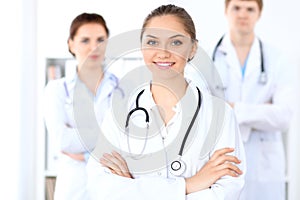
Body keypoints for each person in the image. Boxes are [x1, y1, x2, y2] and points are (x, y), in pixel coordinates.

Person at [86, 4, 246, 199]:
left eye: (176, 42)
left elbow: (227, 190)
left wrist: (133, 187)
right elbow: (100, 186)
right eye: (152, 42)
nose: (163, 53)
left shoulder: (220, 114)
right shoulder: (120, 110)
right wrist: (190, 184)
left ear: (193, 48)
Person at [211, 0, 296, 199]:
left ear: (259, 13)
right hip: (221, 160)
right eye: (237, 8)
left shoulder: (277, 59)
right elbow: (205, 113)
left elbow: (284, 116)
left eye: (250, 9)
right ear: (226, 10)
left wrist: (233, 109)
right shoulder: (208, 57)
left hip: (265, 166)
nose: (243, 14)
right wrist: (262, 111)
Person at [43, 13, 118, 200]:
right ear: (71, 44)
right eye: (85, 40)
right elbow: (61, 140)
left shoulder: (123, 90)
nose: (94, 47)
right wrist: (105, 136)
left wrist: (83, 153)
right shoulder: (57, 89)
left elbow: (125, 142)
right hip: (73, 187)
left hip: (114, 185)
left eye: (100, 40)